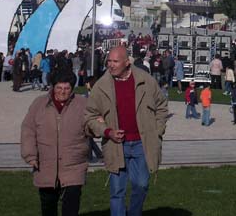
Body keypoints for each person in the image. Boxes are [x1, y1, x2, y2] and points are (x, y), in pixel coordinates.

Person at [84, 46, 168, 216]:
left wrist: (157, 131)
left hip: (141, 143)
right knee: (117, 191)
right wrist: (107, 131)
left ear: (126, 62)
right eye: (109, 61)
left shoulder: (145, 80)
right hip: (116, 145)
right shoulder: (101, 86)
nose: (111, 65)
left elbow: (161, 106)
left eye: (115, 61)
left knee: (142, 184)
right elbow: (89, 116)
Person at [21, 71, 89, 216]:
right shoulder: (39, 104)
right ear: (53, 87)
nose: (63, 92)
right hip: (45, 164)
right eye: (59, 88)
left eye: (67, 88)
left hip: (73, 164)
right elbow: (28, 129)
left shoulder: (82, 104)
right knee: (48, 207)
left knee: (71, 207)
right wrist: (30, 155)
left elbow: (92, 125)